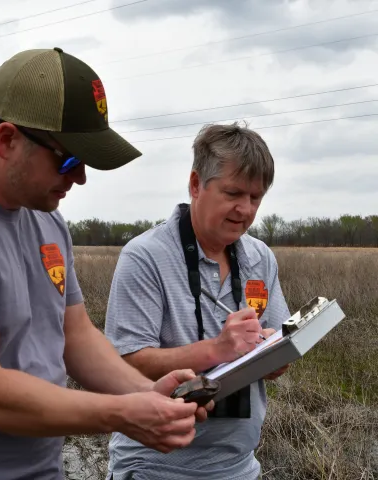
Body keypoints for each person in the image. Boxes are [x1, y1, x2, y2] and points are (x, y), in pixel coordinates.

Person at [0, 47, 212, 480]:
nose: (79, 177)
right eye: (68, 159)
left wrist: (148, 392)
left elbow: (75, 335)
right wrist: (122, 413)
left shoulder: (47, 222)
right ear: (7, 140)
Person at [104, 122, 291, 480]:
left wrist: (274, 356)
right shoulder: (145, 256)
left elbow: (275, 340)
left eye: (256, 197)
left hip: (238, 466)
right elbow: (128, 361)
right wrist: (217, 349)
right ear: (195, 184)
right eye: (233, 193)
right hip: (154, 467)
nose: (245, 210)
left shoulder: (260, 258)